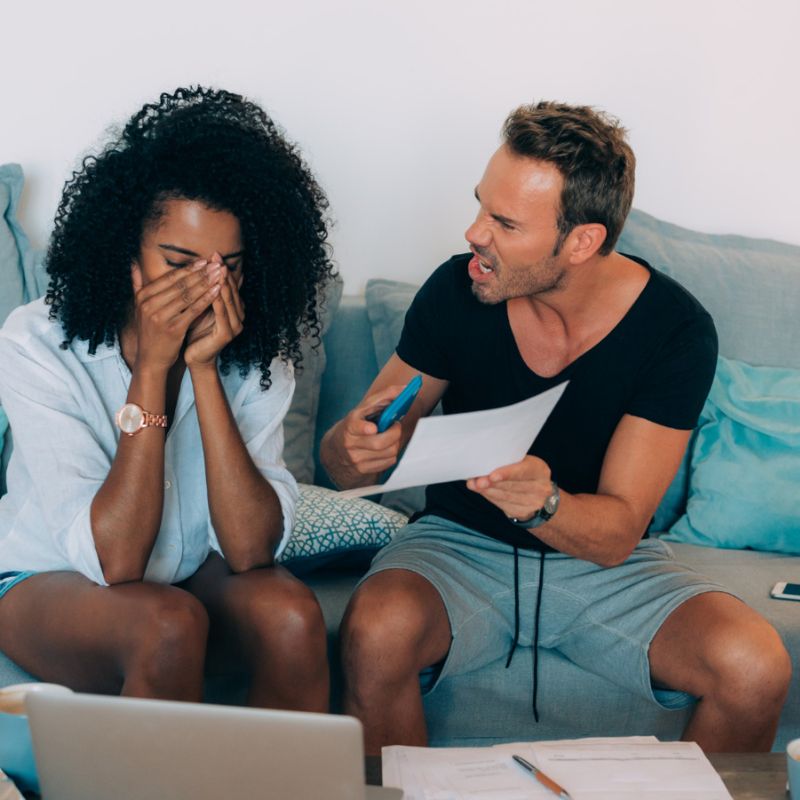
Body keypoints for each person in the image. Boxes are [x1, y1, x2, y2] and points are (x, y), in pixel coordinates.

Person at [320, 101, 792, 753]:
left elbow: (617, 533)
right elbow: (348, 463)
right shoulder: (457, 291)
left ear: (581, 242)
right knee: (376, 630)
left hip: (603, 566)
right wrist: (351, 447)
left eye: (505, 223)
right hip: (457, 545)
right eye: (481, 206)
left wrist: (543, 504)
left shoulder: (675, 331)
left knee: (754, 665)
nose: (474, 233)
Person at [0, 87, 334, 710]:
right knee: (168, 625)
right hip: (50, 575)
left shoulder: (258, 360)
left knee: (290, 616)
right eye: (180, 262)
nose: (208, 288)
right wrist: (153, 369)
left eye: (230, 266)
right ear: (125, 251)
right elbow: (117, 561)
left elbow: (250, 550)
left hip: (188, 573)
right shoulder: (36, 343)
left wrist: (203, 369)